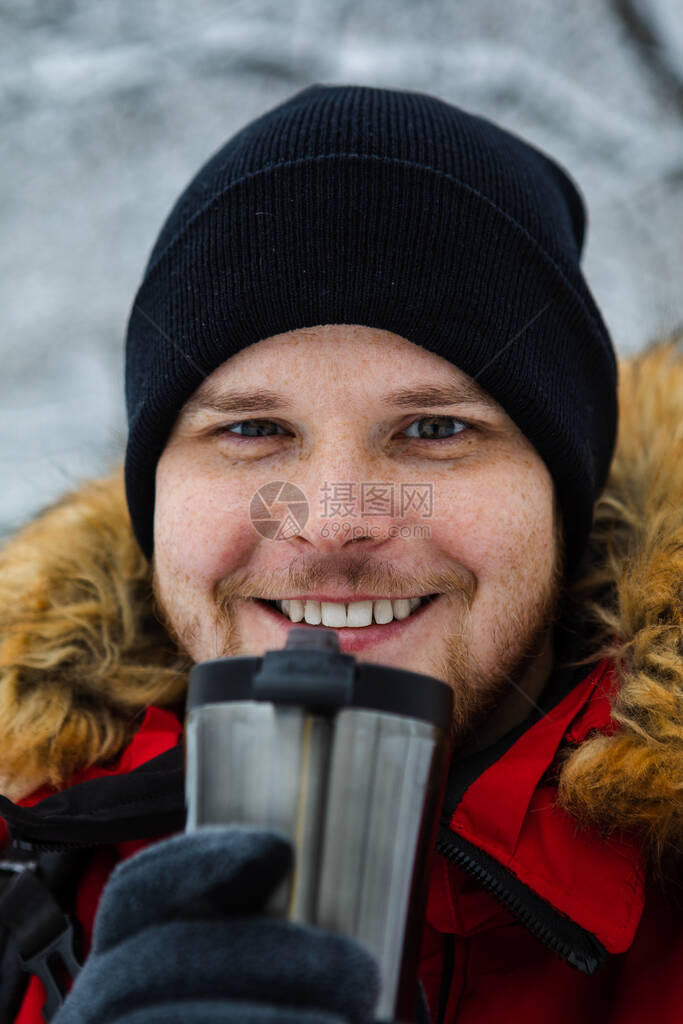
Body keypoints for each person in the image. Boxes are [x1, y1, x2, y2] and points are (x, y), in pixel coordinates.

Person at [0, 84, 680, 1024]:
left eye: (435, 427)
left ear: (563, 494)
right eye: (250, 429)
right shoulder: (20, 853)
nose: (330, 520)